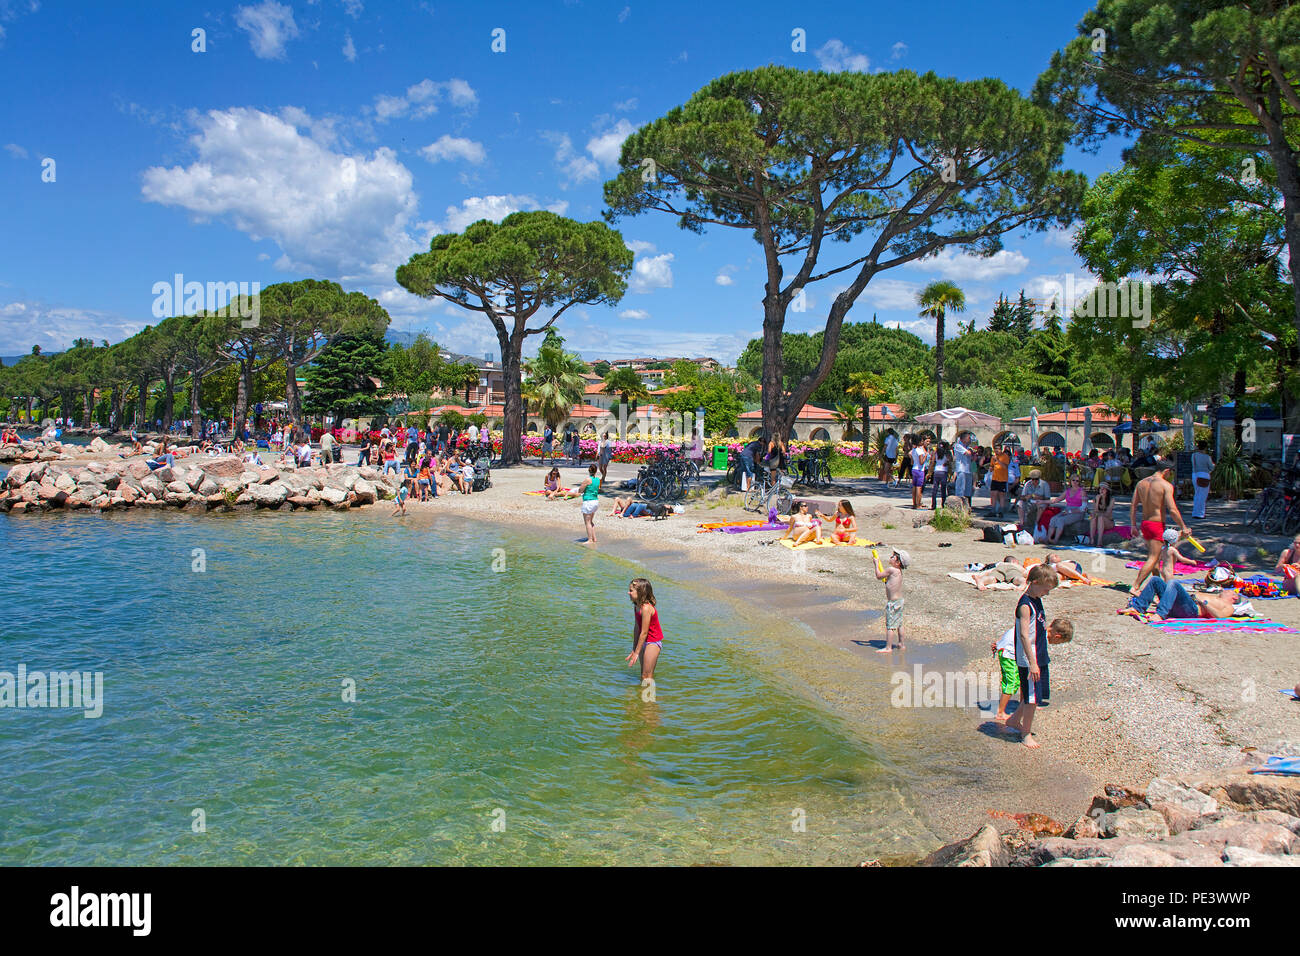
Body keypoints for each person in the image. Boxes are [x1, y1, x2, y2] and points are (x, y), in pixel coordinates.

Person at [1001, 565, 1060, 747]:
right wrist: (1032, 663)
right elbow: (1024, 635)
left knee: (1034, 695)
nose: (1046, 594)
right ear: (1034, 583)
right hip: (1029, 659)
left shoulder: (1037, 600)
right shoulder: (1025, 605)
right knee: (1031, 699)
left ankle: (1013, 721)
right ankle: (1025, 734)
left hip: (1039, 654)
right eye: (1045, 589)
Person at [1129, 460, 1189, 596]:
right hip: (1156, 524)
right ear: (1167, 471)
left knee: (1154, 560)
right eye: (1171, 473)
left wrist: (1133, 524)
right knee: (1153, 557)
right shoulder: (1165, 485)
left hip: (1145, 523)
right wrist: (1183, 526)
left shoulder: (1141, 483)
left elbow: (1133, 505)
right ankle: (1136, 586)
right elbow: (1172, 509)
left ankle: (1159, 590)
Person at [625, 578, 663, 688]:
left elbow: (644, 632)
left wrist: (637, 652)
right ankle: (646, 701)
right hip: (644, 641)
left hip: (653, 642)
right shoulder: (636, 606)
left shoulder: (646, 608)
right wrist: (634, 648)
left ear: (640, 593)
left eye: (631, 591)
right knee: (643, 676)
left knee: (647, 676)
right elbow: (637, 627)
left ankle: (649, 702)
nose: (628, 592)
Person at [872, 547, 909, 652]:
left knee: (890, 626)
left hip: (892, 603)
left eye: (893, 556)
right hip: (899, 601)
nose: (890, 557)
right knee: (899, 624)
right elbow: (888, 580)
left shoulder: (891, 570)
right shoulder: (898, 571)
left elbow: (879, 576)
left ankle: (888, 647)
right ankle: (901, 644)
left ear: (897, 562)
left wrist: (876, 563)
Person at [1044, 475, 1089, 545]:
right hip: (1067, 510)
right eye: (1073, 480)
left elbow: (1083, 508)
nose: (1075, 482)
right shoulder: (1067, 491)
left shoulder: (1082, 492)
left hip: (1078, 512)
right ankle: (1048, 538)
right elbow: (1056, 500)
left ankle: (1055, 540)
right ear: (1070, 481)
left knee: (1060, 520)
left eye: (1077, 481)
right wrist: (1042, 501)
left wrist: (1070, 511)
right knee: (1053, 519)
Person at [991, 625, 1020, 721]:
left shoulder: (1030, 621)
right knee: (1012, 682)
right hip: (1009, 654)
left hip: (1006, 650)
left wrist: (999, 642)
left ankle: (1024, 703)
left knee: (1011, 680)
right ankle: (1000, 712)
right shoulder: (1034, 625)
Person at [1191, 441, 1214, 519]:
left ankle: (1195, 512)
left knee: (1197, 494)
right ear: (1205, 447)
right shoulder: (1207, 457)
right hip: (1204, 475)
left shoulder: (1193, 455)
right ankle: (1200, 513)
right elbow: (1211, 467)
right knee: (1202, 495)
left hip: (1195, 475)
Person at [579, 463, 601, 544]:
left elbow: (580, 490)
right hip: (595, 501)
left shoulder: (587, 480)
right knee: (591, 521)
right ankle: (594, 538)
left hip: (588, 501)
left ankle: (590, 539)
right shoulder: (598, 480)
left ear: (589, 470)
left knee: (587, 522)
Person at [1088, 480, 1115, 546]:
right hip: (1098, 522)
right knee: (1093, 518)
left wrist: (1097, 514)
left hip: (1108, 522)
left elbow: (1107, 514)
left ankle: (1099, 541)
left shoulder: (1111, 500)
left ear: (1107, 490)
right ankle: (1091, 540)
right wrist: (1097, 501)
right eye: (1100, 488)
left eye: (1104, 489)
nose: (1101, 490)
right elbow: (1095, 511)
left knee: (1100, 517)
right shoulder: (1096, 498)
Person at [952, 432, 974, 505]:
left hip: (968, 469)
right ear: (963, 439)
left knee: (968, 490)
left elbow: (973, 457)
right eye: (968, 438)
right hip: (961, 469)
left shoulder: (967, 447)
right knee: (960, 489)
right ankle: (958, 504)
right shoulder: (958, 446)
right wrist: (971, 452)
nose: (970, 440)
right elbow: (968, 453)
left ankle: (967, 505)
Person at [989, 444, 1012, 517]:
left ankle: (1001, 511)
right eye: (995, 449)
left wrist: (998, 460)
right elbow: (992, 466)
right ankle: (993, 510)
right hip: (995, 478)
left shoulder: (1005, 456)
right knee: (993, 494)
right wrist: (991, 468)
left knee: (1001, 495)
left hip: (1002, 478)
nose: (997, 450)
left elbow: (1005, 466)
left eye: (998, 449)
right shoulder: (993, 457)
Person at [908, 436, 930, 509]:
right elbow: (921, 462)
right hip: (920, 470)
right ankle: (918, 504)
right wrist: (926, 455)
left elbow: (911, 459)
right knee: (919, 487)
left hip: (914, 468)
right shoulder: (920, 451)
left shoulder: (914, 450)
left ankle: (914, 503)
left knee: (914, 486)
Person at [930, 440, 951, 510]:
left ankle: (933, 505)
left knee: (935, 489)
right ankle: (943, 504)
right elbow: (950, 460)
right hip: (944, 471)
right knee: (943, 489)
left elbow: (933, 461)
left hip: (936, 471)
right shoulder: (947, 453)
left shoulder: (936, 452)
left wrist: (930, 472)